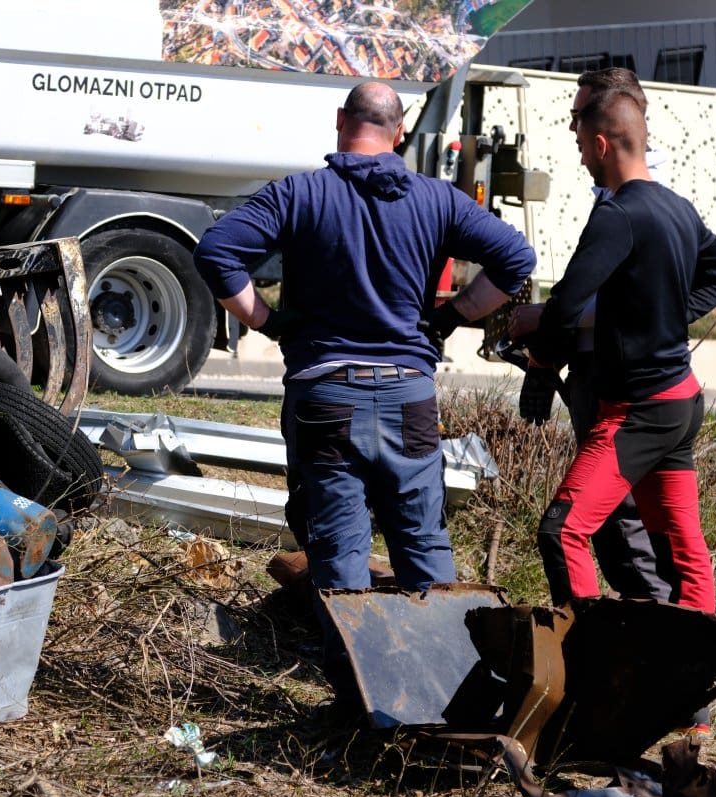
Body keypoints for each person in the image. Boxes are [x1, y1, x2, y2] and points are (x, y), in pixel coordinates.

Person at [194, 81, 534, 597]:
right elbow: (516, 260)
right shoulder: (439, 199)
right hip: (409, 398)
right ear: (399, 133)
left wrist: (266, 320)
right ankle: (442, 666)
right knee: (423, 544)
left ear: (340, 120)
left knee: (338, 552)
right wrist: (449, 318)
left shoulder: (299, 194)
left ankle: (350, 668)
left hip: (324, 397)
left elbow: (216, 251)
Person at [522, 81, 716, 621]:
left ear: (600, 145)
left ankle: (595, 666)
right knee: (682, 554)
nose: (578, 150)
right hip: (681, 403)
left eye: (579, 141)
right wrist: (665, 312)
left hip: (637, 410)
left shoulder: (616, 215)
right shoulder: (678, 209)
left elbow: (567, 304)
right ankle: (691, 699)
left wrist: (542, 363)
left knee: (562, 530)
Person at [509, 67, 668, 602]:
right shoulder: (616, 194)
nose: (574, 136)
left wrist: (557, 324)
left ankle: (643, 634)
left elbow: (686, 283)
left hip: (620, 377)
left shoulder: (642, 198)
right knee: (615, 522)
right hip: (597, 371)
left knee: (612, 522)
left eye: (578, 119)